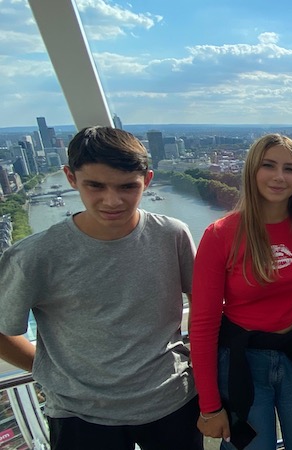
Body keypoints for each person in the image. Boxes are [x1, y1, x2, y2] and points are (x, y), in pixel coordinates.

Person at [0, 126, 202, 450]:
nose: (112, 200)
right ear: (70, 177)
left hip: (171, 401)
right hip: (80, 415)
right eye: (95, 185)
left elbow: (203, 310)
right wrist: (46, 368)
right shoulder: (35, 256)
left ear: (147, 181)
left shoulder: (172, 235)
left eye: (127, 187)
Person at [190, 133, 292, 450]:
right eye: (268, 165)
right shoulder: (220, 236)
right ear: (252, 171)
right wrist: (210, 406)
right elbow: (203, 324)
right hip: (245, 363)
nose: (279, 177)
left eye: (289, 168)